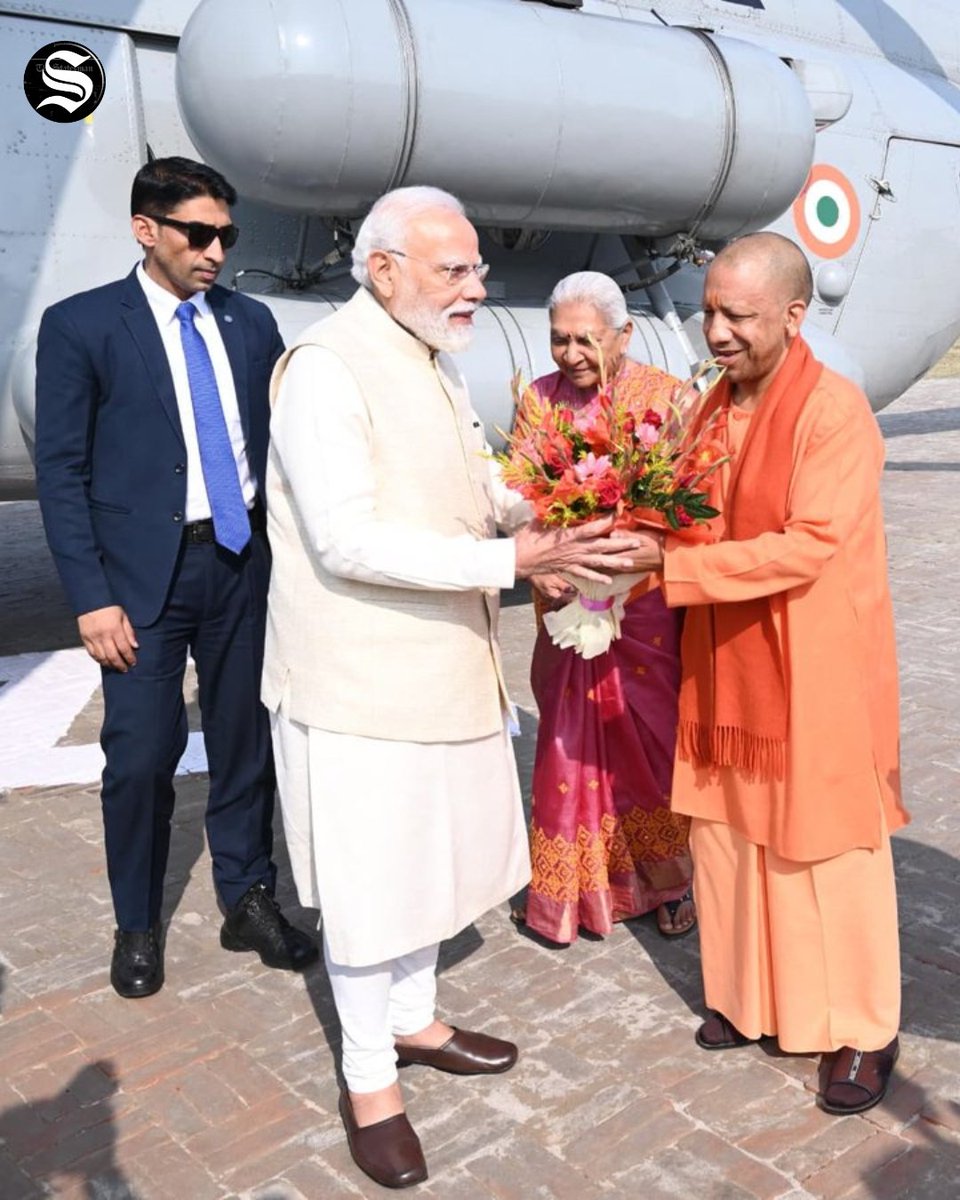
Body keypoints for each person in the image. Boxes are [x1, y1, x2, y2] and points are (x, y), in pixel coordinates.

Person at [263, 186, 660, 1189]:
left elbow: (479, 485)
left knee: (427, 868)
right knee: (369, 888)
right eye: (458, 270)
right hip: (360, 681)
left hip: (440, 668)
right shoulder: (325, 368)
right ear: (386, 270)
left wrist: (567, 506)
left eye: (478, 268)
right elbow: (346, 539)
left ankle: (413, 1023)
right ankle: (368, 1082)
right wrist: (514, 561)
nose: (479, 288)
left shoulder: (427, 361)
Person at [34, 156, 318, 1000]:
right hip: (138, 586)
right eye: (200, 233)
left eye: (227, 235)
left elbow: (278, 449)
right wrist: (90, 597)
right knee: (139, 758)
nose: (217, 250)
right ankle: (137, 923)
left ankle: (248, 898)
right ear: (145, 229)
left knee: (244, 744)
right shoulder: (82, 326)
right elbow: (62, 471)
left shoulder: (249, 323)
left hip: (238, 567)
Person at [647, 232, 907, 1114]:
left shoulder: (834, 413)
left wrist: (669, 573)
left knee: (825, 846)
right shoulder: (708, 408)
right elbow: (683, 509)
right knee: (727, 832)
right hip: (725, 662)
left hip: (813, 663)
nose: (715, 331)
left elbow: (808, 547)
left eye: (738, 316)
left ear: (794, 317)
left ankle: (863, 1029)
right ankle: (750, 997)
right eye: (709, 311)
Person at [513, 271, 696, 943]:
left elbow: (689, 508)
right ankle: (574, 892)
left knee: (649, 740)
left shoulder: (667, 399)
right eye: (558, 340)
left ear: (625, 333)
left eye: (584, 340)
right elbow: (523, 500)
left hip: (643, 609)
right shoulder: (538, 401)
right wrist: (543, 568)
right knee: (568, 744)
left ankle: (673, 878)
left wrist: (630, 556)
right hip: (566, 606)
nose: (569, 355)